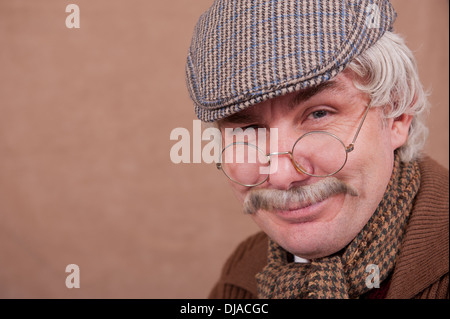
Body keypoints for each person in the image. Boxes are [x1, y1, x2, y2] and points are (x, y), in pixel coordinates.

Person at [185, 0, 448, 299]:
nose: (282, 175)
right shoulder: (241, 276)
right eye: (248, 130)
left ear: (396, 114)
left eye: (319, 114)